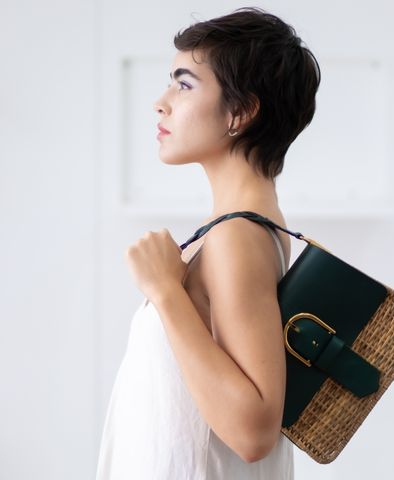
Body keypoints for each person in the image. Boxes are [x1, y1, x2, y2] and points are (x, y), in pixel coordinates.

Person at [95, 6, 320, 479]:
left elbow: (253, 432)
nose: (161, 103)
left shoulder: (238, 235)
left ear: (241, 111)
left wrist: (164, 291)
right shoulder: (239, 230)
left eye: (184, 85)